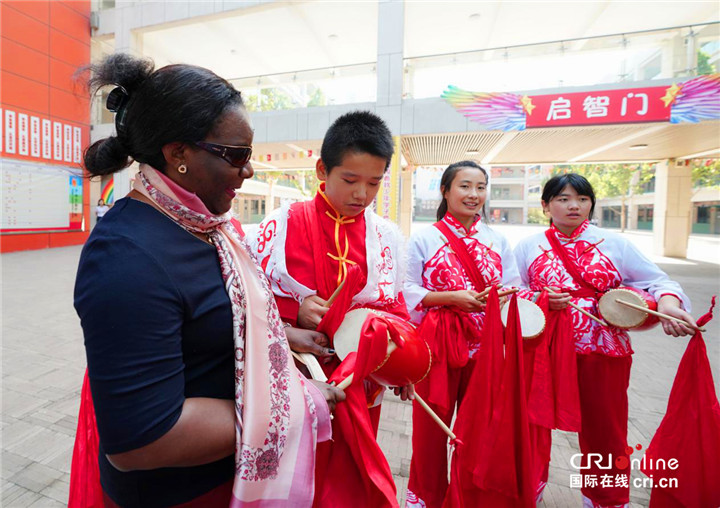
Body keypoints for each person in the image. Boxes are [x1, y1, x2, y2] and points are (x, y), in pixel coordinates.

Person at [72, 53, 343, 507]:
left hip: (226, 475)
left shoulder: (206, 227)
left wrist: (286, 335)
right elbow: (142, 439)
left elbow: (224, 317)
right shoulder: (126, 256)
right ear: (178, 154)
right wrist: (294, 401)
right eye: (236, 155)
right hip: (177, 494)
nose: (249, 170)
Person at [249, 111, 409, 507]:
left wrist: (402, 362)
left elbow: (396, 306)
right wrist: (296, 309)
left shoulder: (385, 236)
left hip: (361, 376)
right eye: (350, 181)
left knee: (352, 470)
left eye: (374, 183)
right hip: (297, 373)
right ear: (323, 169)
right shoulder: (281, 224)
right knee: (297, 465)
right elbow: (250, 298)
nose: (362, 195)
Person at [513, 173, 696, 508]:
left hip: (602, 349)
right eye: (563, 199)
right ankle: (528, 486)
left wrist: (668, 304)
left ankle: (606, 498)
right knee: (532, 424)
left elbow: (658, 281)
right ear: (545, 205)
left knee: (605, 429)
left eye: (582, 199)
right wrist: (539, 297)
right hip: (544, 350)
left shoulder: (615, 244)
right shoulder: (528, 246)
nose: (573, 206)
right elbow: (511, 292)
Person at [404, 161, 521, 507]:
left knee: (479, 426)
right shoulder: (425, 237)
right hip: (436, 343)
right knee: (430, 427)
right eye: (465, 186)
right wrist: (448, 298)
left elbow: (515, 288)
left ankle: (468, 495)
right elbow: (405, 290)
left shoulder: (497, 240)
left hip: (486, 346)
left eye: (480, 187)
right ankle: (425, 495)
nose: (474, 195)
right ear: (445, 190)